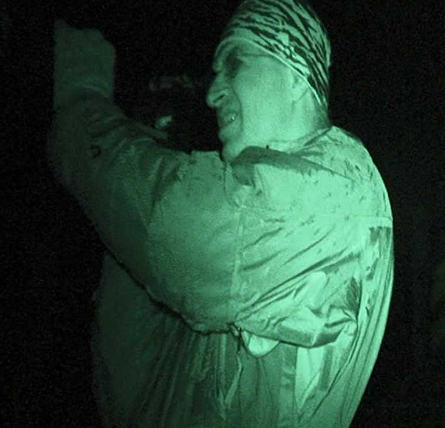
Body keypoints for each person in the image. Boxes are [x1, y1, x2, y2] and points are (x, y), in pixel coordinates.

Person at [49, 0, 393, 426]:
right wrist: (149, 141)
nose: (212, 94)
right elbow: (144, 399)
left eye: (234, 64)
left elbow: (171, 228)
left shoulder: (337, 188)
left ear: (295, 71)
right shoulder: (245, 268)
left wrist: (81, 100)